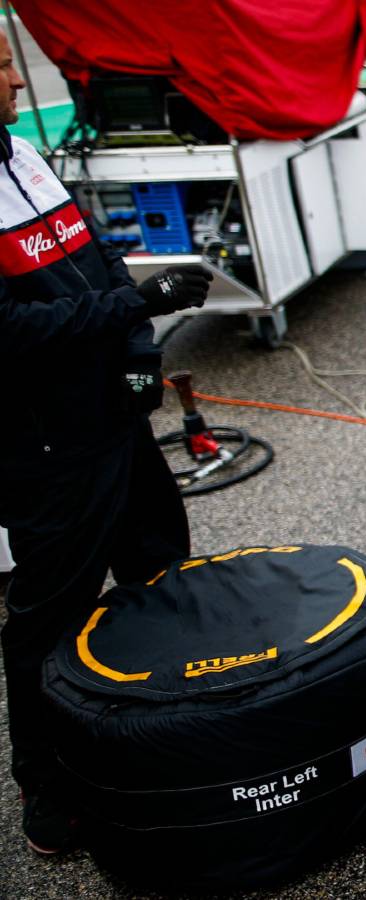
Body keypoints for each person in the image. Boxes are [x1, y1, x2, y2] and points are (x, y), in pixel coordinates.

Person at [0, 32, 212, 852]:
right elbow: (9, 332)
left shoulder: (24, 154)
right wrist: (136, 308)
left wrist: (136, 361)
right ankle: (45, 787)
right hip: (46, 451)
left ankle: (158, 736)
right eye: (6, 67)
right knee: (48, 620)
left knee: (160, 574)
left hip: (114, 423)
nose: (19, 77)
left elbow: (95, 266)